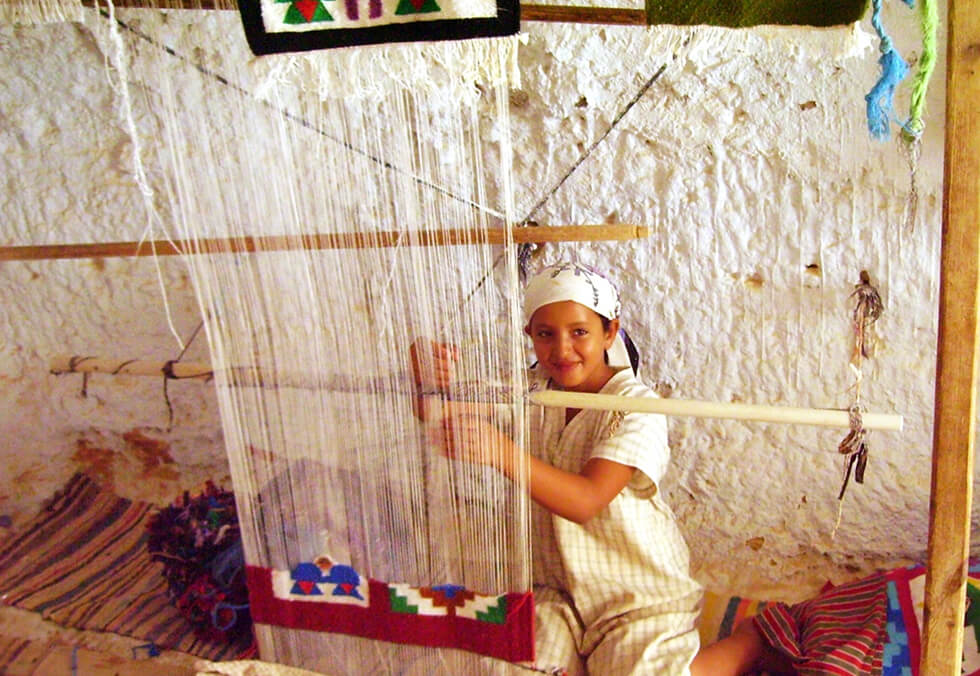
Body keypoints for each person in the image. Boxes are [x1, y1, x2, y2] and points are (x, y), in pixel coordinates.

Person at [411, 262, 704, 675]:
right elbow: (435, 411)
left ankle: (750, 643)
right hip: (557, 598)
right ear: (530, 336)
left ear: (610, 332)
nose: (562, 350)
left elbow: (587, 500)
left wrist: (501, 452)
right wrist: (424, 372)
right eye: (546, 334)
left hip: (636, 600)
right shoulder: (530, 392)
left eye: (579, 332)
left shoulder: (637, 408)